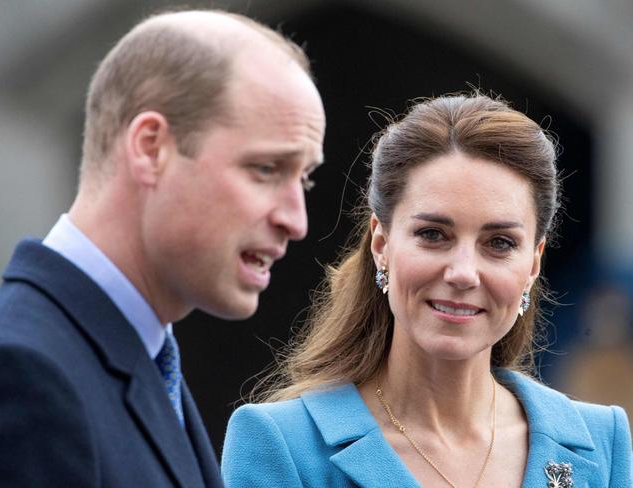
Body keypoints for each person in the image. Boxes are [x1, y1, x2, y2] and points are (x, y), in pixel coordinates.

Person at [0, 9, 325, 488]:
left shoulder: (140, 355)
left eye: (304, 178)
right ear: (150, 148)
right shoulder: (25, 374)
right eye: (267, 169)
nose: (296, 220)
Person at [222, 94, 632, 487]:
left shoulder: (601, 441)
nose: (463, 273)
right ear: (381, 244)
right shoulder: (284, 444)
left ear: (533, 264)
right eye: (433, 234)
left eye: (500, 243)